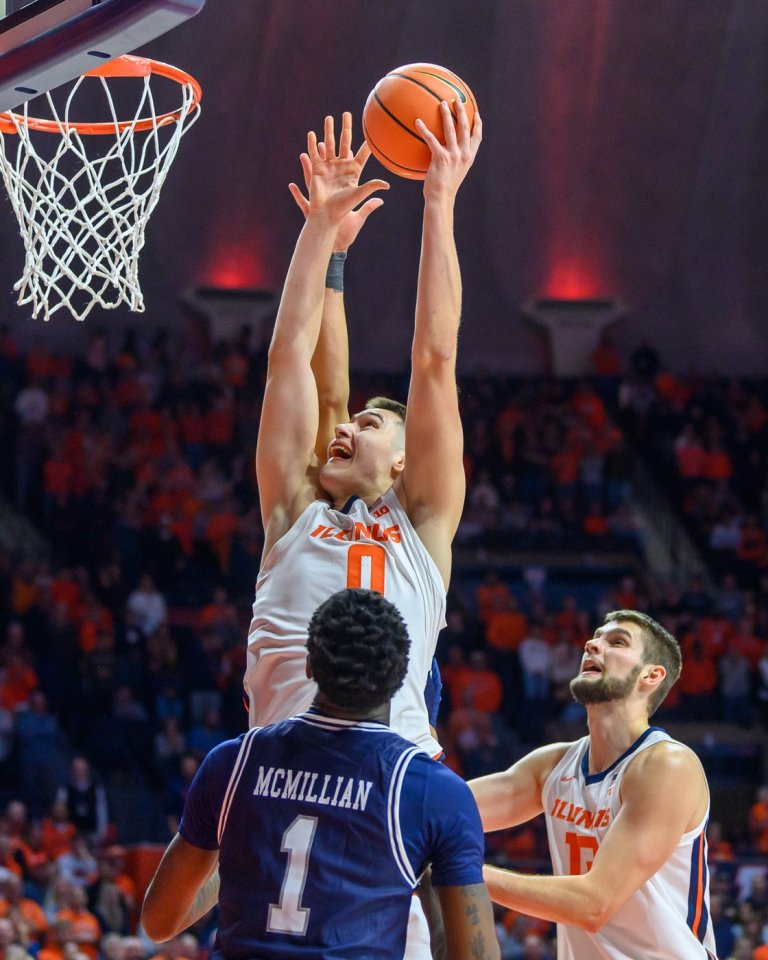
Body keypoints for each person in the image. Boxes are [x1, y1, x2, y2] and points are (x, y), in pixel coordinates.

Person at [244, 103, 482, 763]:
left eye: (370, 424)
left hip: (392, 767)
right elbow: (290, 358)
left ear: (405, 461)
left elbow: (435, 358)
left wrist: (440, 199)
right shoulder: (293, 509)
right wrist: (319, 232)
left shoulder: (425, 526)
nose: (345, 427)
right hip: (280, 764)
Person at [142, 589, 499, 960]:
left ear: (309, 664)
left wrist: (247, 855)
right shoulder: (433, 792)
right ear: (399, 680)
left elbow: (160, 921)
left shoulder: (233, 761)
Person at [469, 609, 717, 959]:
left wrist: (464, 872)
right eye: (595, 637)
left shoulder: (666, 765)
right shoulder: (553, 765)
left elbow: (593, 905)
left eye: (616, 642)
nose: (591, 644)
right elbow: (448, 809)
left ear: (650, 675)